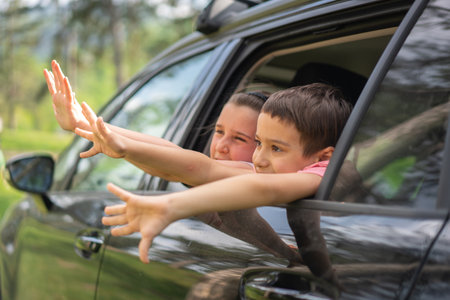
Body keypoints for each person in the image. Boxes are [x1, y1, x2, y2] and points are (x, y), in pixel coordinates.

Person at [43, 60, 303, 265]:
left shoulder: (254, 173)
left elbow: (187, 166)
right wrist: (88, 126)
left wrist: (111, 139)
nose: (222, 145)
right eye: (219, 131)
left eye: (241, 139)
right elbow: (170, 158)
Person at [79, 83, 352, 264]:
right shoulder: (267, 170)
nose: (259, 159)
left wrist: (170, 205)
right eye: (258, 143)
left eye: (276, 148)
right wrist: (104, 134)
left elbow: (264, 190)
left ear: (323, 157)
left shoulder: (327, 171)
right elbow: (198, 165)